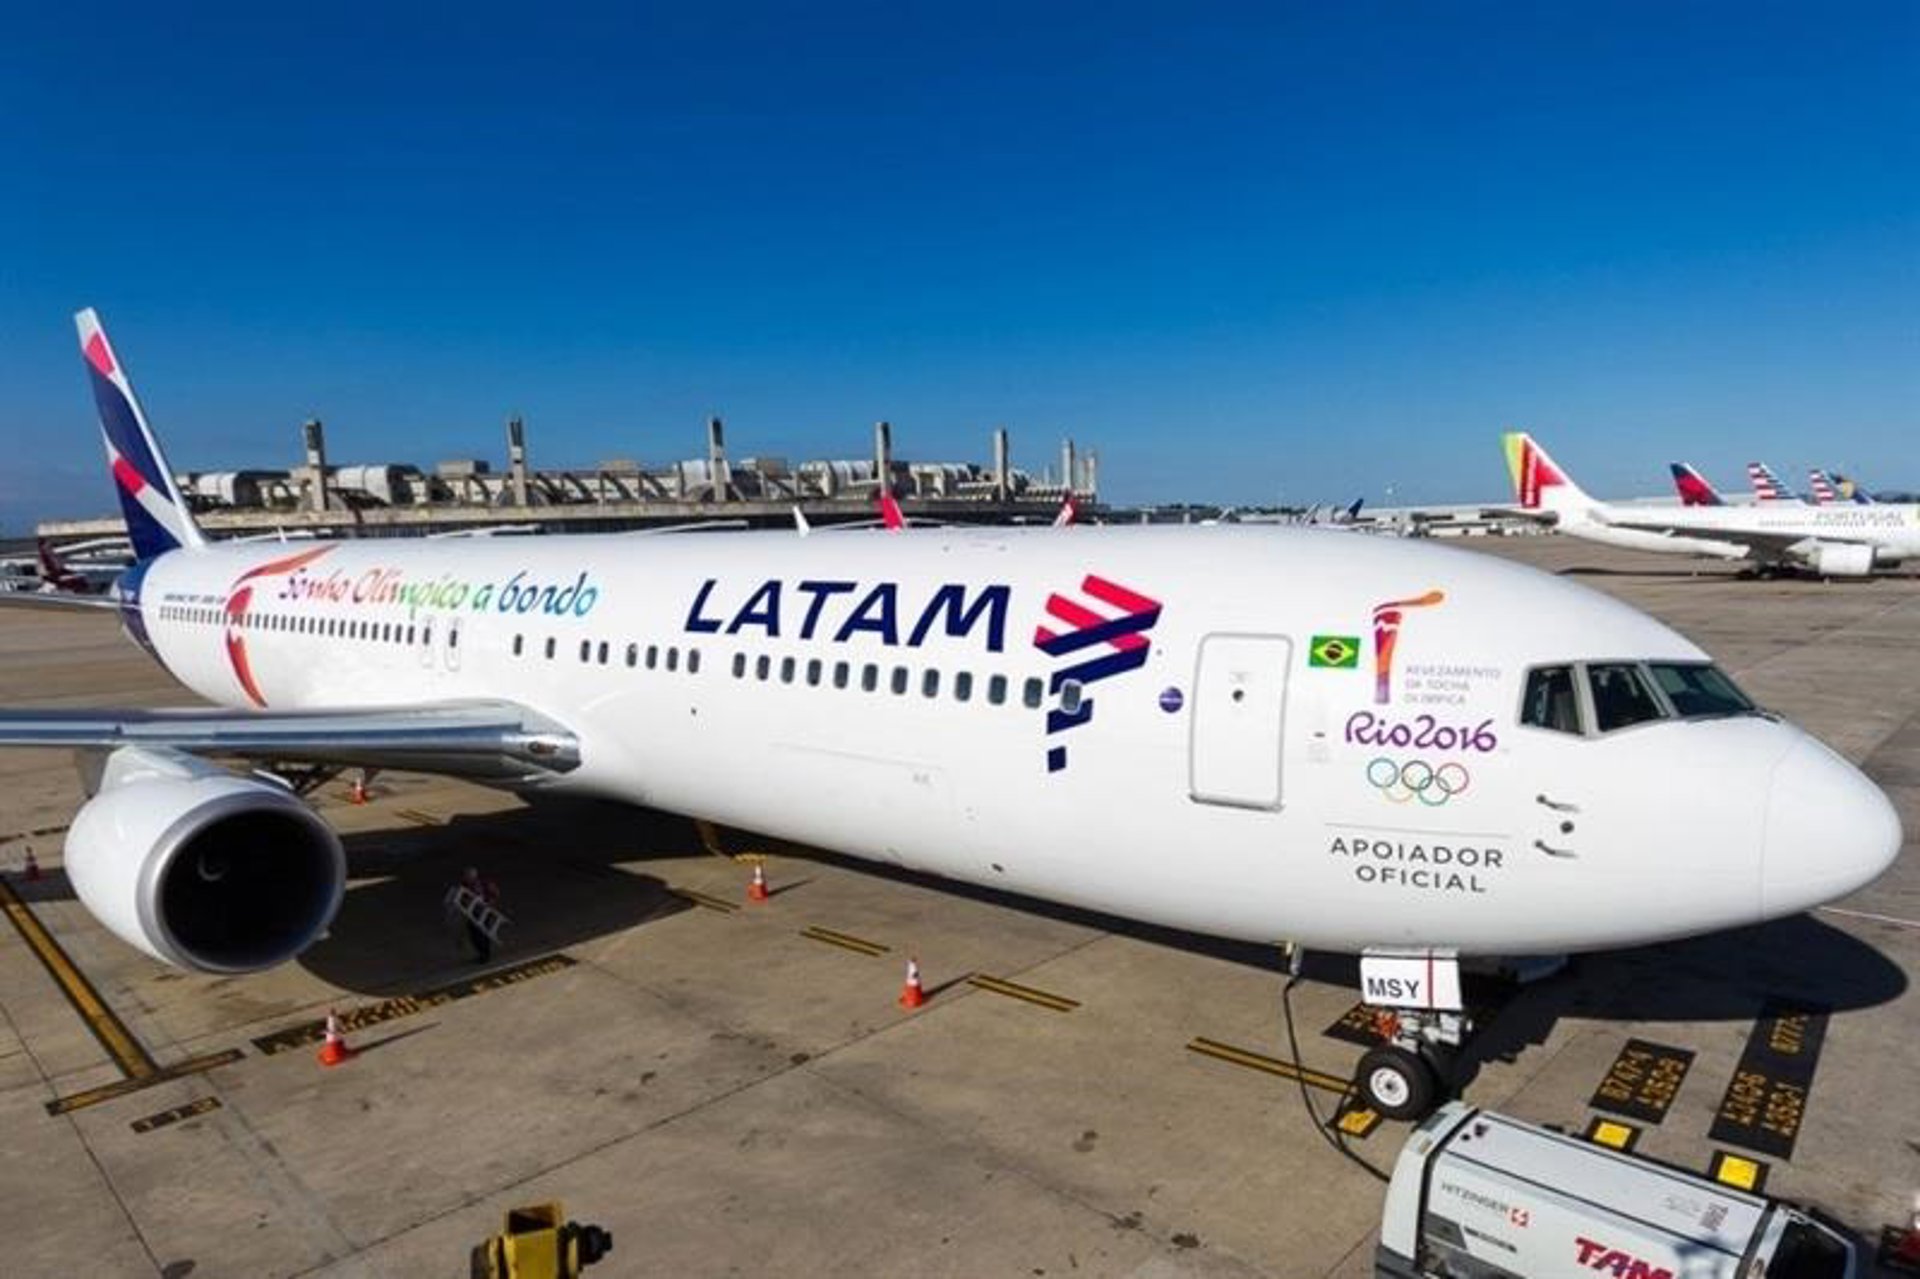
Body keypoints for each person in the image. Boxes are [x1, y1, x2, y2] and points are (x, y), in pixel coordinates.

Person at [453, 866, 501, 963]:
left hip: (483, 912)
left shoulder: (484, 883)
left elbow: (495, 893)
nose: (467, 878)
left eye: (469, 876)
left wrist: (489, 903)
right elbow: (460, 898)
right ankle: (481, 953)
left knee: (483, 934)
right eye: (466, 876)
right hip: (471, 914)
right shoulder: (464, 886)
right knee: (473, 935)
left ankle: (485, 955)